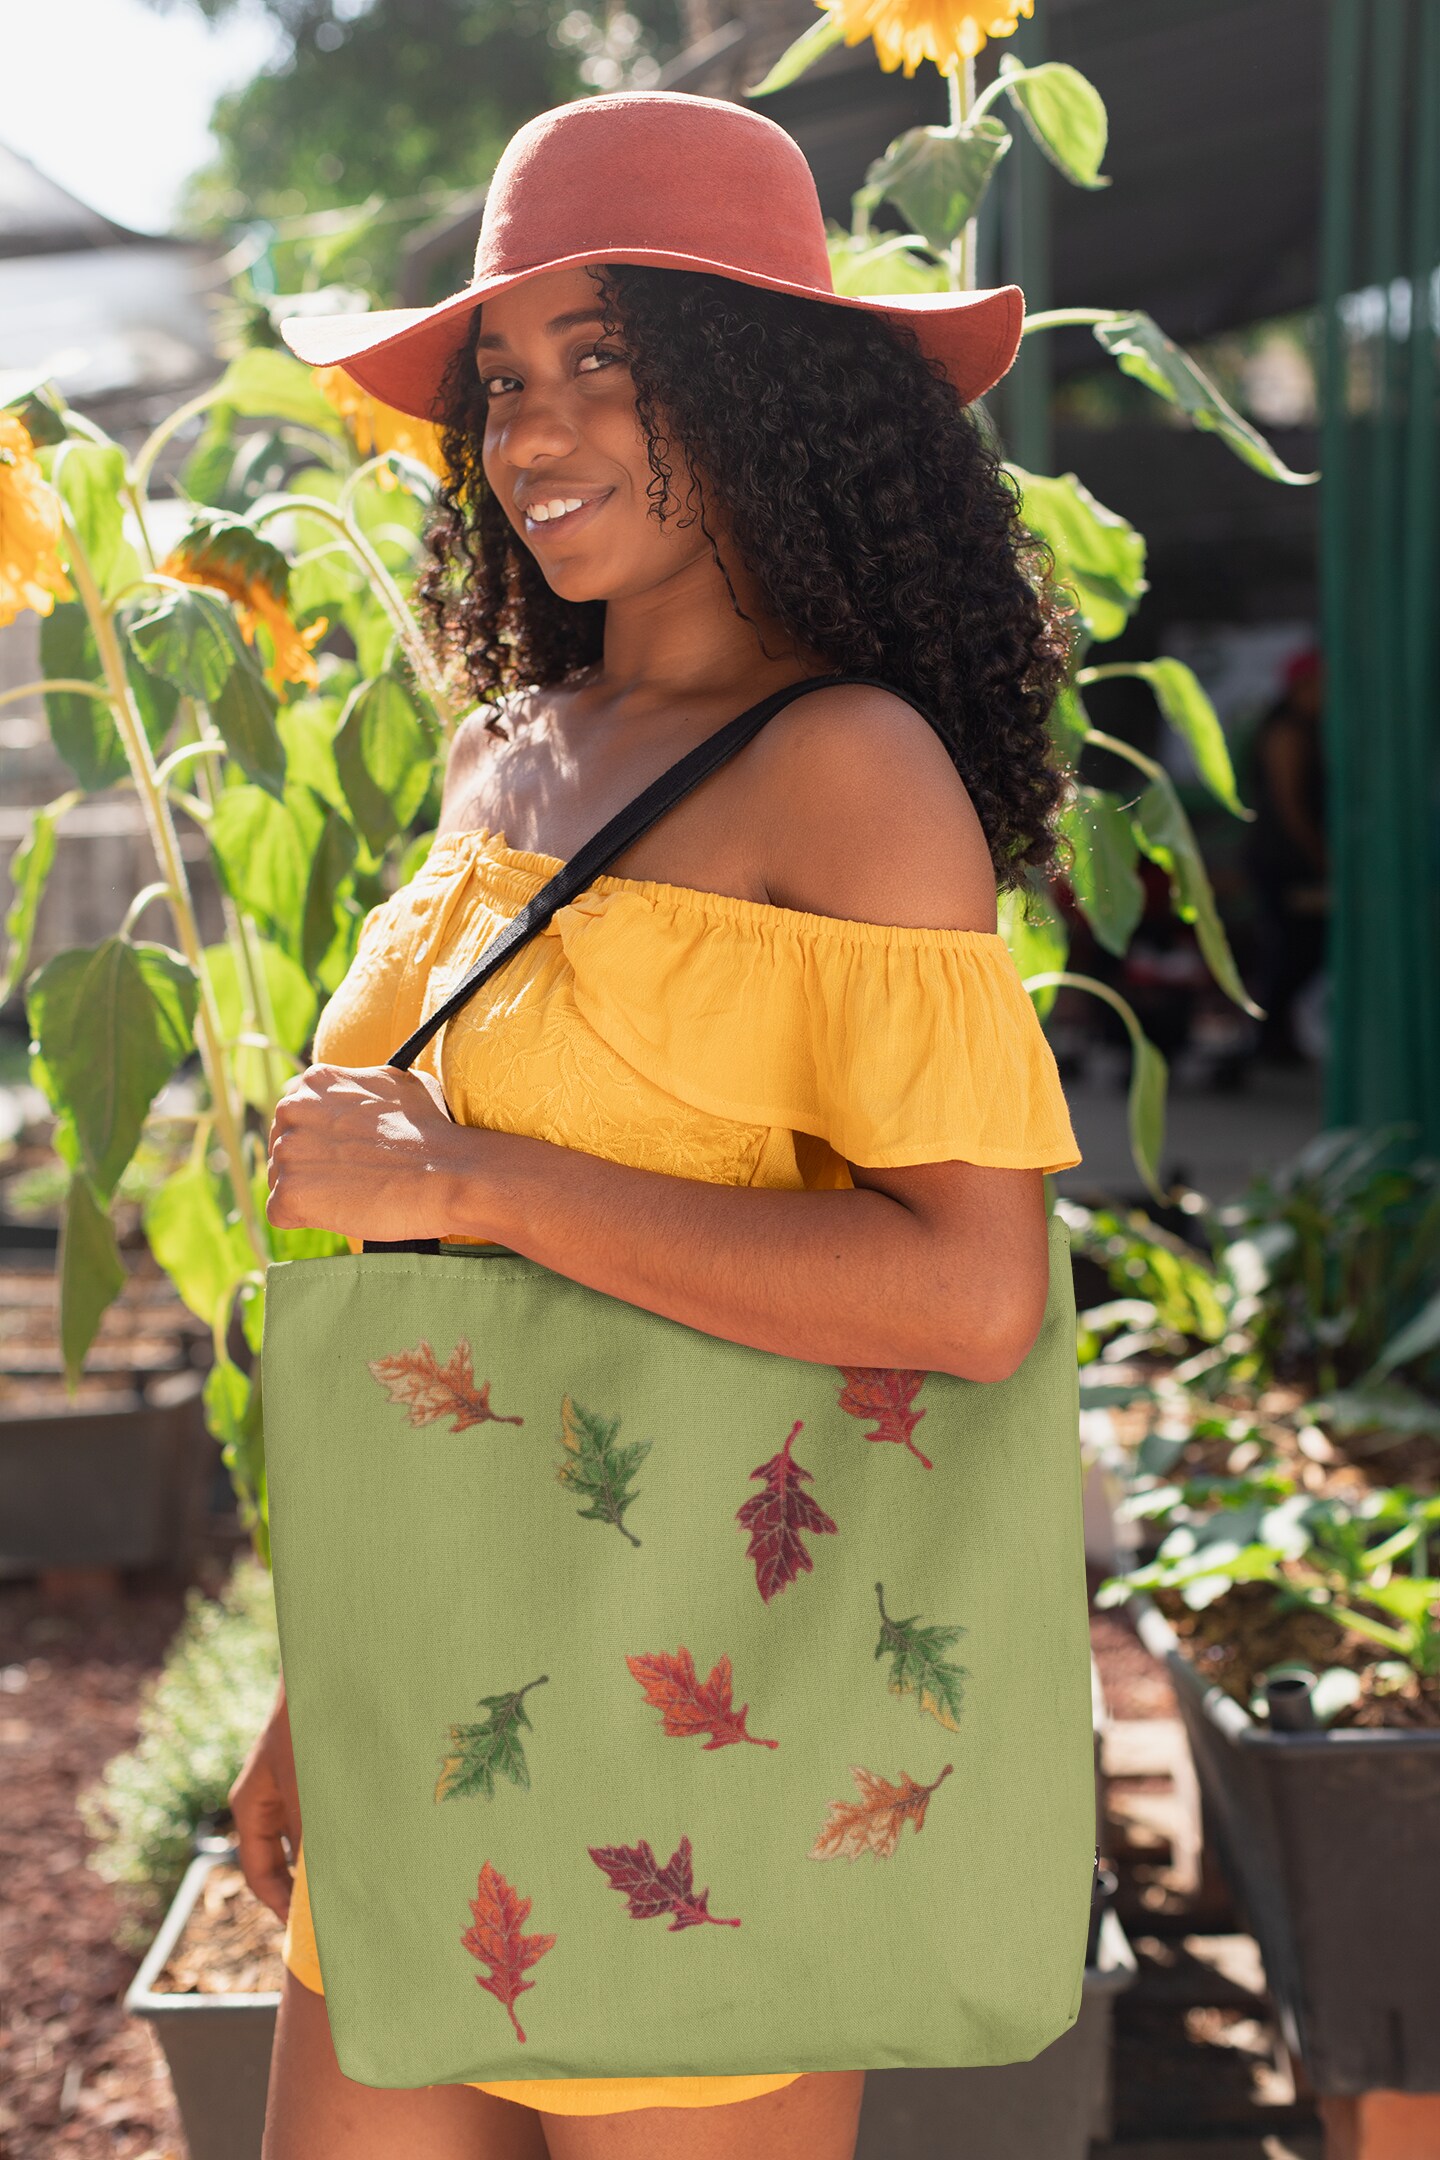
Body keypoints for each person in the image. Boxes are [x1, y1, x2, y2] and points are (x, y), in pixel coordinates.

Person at [238, 90, 1081, 2160]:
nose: (531, 432)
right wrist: (315, 1685)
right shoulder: (502, 759)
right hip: (439, 1703)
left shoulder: (851, 772)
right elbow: (436, 1332)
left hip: (716, 1743)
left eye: (607, 362)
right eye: (505, 377)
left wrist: (469, 1175)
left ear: (767, 393)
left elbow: (972, 1297)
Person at [1243, 649, 1328, 1063]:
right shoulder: (1288, 733)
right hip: (1284, 863)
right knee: (1291, 949)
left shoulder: (1308, 728)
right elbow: (1289, 804)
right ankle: (1268, 1037)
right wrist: (1318, 854)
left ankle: (1275, 1037)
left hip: (1289, 859)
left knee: (1300, 948)